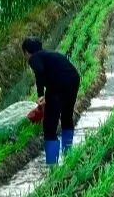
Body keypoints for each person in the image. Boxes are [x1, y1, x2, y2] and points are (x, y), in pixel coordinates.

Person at [22, 37, 81, 165]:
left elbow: (39, 71)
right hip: (73, 79)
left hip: (58, 85)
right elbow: (40, 75)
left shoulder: (34, 58)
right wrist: (41, 95)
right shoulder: (48, 55)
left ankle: (52, 165)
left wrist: (46, 97)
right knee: (66, 116)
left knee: (49, 127)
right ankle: (68, 155)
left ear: (26, 52)